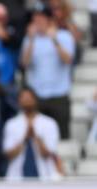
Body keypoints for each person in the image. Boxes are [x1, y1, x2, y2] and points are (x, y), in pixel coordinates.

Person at [21, 4, 74, 139]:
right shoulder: (28, 39)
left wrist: (54, 39)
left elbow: (68, 60)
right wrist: (31, 40)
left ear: (49, 19)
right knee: (38, 137)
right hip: (37, 96)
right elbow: (24, 64)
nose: (37, 22)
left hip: (59, 95)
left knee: (62, 138)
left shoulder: (64, 36)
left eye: (41, 18)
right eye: (35, 19)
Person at [3, 87, 60, 180]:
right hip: (16, 178)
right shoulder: (11, 124)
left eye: (29, 98)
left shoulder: (49, 123)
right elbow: (8, 155)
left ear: (35, 100)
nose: (27, 101)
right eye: (24, 98)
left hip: (45, 177)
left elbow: (49, 153)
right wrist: (25, 139)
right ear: (18, 101)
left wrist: (35, 137)